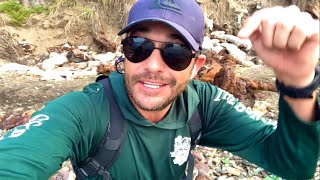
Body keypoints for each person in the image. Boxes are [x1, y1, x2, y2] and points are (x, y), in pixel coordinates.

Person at [0, 0, 319, 179]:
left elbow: (291, 163)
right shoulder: (84, 111)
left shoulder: (203, 104)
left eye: (175, 53)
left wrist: (298, 81)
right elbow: (15, 162)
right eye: (138, 46)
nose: (153, 64)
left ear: (196, 65)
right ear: (123, 52)